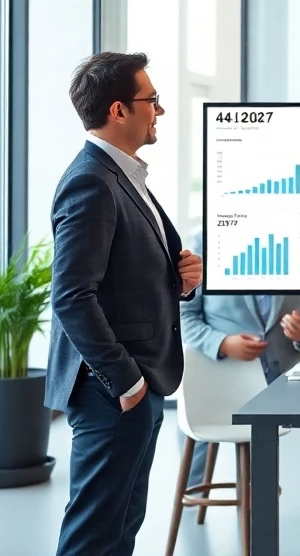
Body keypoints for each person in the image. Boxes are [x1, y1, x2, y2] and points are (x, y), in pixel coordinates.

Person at [45, 52, 203, 556]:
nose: (159, 110)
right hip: (112, 389)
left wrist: (182, 279)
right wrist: (127, 381)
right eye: (151, 100)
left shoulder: (123, 177)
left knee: (120, 527)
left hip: (138, 383)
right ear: (119, 110)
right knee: (95, 534)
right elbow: (72, 295)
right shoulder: (91, 180)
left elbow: (122, 278)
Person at [179, 231, 300, 534]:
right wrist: (223, 343)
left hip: (290, 376)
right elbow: (185, 315)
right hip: (224, 383)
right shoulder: (205, 243)